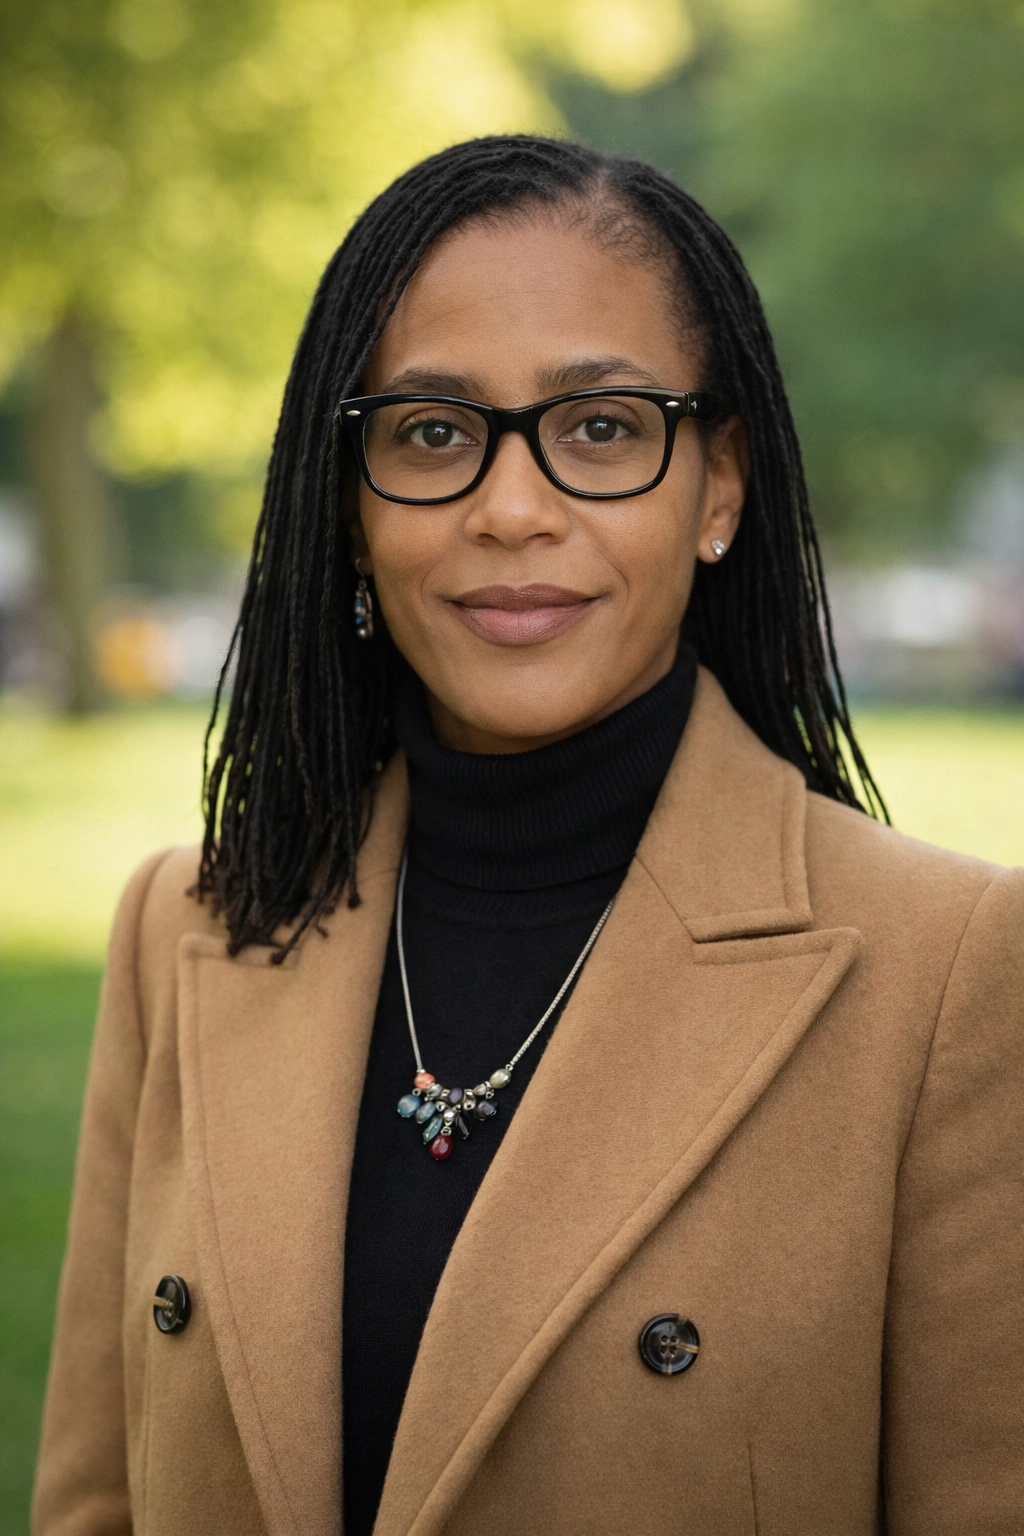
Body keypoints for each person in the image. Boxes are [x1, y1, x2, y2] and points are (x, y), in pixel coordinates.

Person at [34, 136, 1022, 1536]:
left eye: (602, 429)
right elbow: (95, 1501)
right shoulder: (186, 926)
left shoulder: (954, 971)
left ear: (720, 486)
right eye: (433, 434)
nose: (512, 509)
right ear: (350, 502)